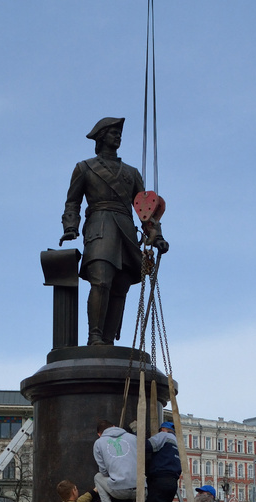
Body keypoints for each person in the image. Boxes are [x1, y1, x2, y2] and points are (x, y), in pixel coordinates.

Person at [59, 117, 169, 345]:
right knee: (101, 280)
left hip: (125, 231)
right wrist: (71, 226)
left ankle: (108, 340)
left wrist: (156, 236)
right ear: (101, 137)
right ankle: (95, 336)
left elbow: (145, 210)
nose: (118, 136)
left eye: (119, 133)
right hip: (100, 227)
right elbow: (73, 202)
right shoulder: (85, 168)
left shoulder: (132, 173)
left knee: (120, 286)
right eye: (112, 132)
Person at [93, 419, 139, 502]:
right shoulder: (133, 438)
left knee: (98, 477)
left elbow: (103, 471)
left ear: (99, 434)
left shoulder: (99, 442)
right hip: (141, 491)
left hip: (119, 491)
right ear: (114, 426)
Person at [145, 420, 182, 502]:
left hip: (160, 479)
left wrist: (136, 432)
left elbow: (146, 446)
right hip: (172, 482)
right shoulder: (177, 442)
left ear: (163, 429)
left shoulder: (164, 435)